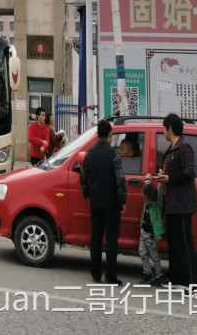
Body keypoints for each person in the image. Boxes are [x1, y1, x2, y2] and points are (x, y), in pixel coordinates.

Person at [153, 112, 197, 286]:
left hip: (182, 204)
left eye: (164, 128)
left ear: (170, 128)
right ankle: (175, 278)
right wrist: (164, 176)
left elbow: (189, 172)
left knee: (184, 243)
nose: (163, 132)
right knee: (174, 243)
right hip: (171, 203)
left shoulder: (184, 147)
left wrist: (169, 179)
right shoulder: (172, 148)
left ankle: (191, 283)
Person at [80, 119, 126, 285]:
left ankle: (95, 274)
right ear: (110, 135)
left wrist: (87, 193)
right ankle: (111, 276)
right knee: (112, 240)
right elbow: (120, 179)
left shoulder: (90, 152)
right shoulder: (113, 154)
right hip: (111, 203)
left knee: (96, 237)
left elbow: (83, 175)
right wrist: (122, 200)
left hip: (96, 201)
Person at [139, 181, 165, 286]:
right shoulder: (147, 204)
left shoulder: (157, 206)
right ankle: (147, 273)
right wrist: (147, 180)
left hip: (151, 235)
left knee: (154, 256)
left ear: (151, 199)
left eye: (145, 199)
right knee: (142, 252)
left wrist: (159, 182)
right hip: (143, 232)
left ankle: (159, 275)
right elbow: (147, 187)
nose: (143, 201)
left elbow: (159, 192)